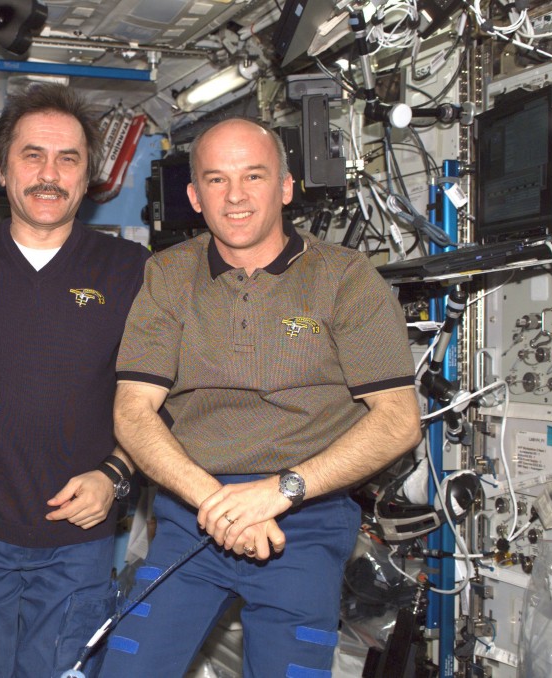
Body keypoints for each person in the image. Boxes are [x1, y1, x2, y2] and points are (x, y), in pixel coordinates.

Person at [99, 118, 422, 677]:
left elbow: (397, 421)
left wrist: (278, 492)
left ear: (287, 186)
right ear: (195, 196)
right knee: (129, 667)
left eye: (254, 175)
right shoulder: (169, 276)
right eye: (218, 180)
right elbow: (133, 410)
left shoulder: (345, 278)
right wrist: (216, 501)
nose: (237, 196)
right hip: (191, 514)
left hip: (306, 516)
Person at [0, 83, 151, 677]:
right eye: (32, 155)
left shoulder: (132, 271)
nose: (49, 174)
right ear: (2, 170)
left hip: (80, 539)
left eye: (68, 158)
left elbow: (164, 396)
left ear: (88, 177)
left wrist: (116, 474)